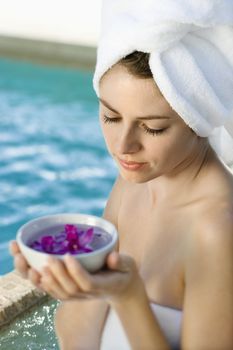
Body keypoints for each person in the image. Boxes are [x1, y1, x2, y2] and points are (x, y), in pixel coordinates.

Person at [9, 1, 233, 349]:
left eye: (154, 128)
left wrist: (128, 297)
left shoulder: (217, 230)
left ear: (198, 122)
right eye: (111, 118)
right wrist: (72, 283)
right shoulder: (136, 181)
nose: (124, 146)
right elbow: (78, 334)